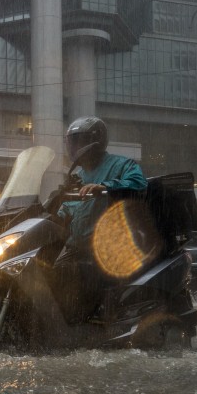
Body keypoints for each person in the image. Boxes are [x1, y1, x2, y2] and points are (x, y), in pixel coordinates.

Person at [55, 116, 147, 323]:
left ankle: (95, 327)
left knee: (93, 293)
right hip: (76, 248)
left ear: (95, 140)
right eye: (72, 141)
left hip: (106, 248)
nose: (74, 146)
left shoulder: (122, 165)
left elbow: (138, 183)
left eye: (79, 140)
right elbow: (69, 206)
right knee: (51, 277)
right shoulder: (77, 175)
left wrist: (105, 187)